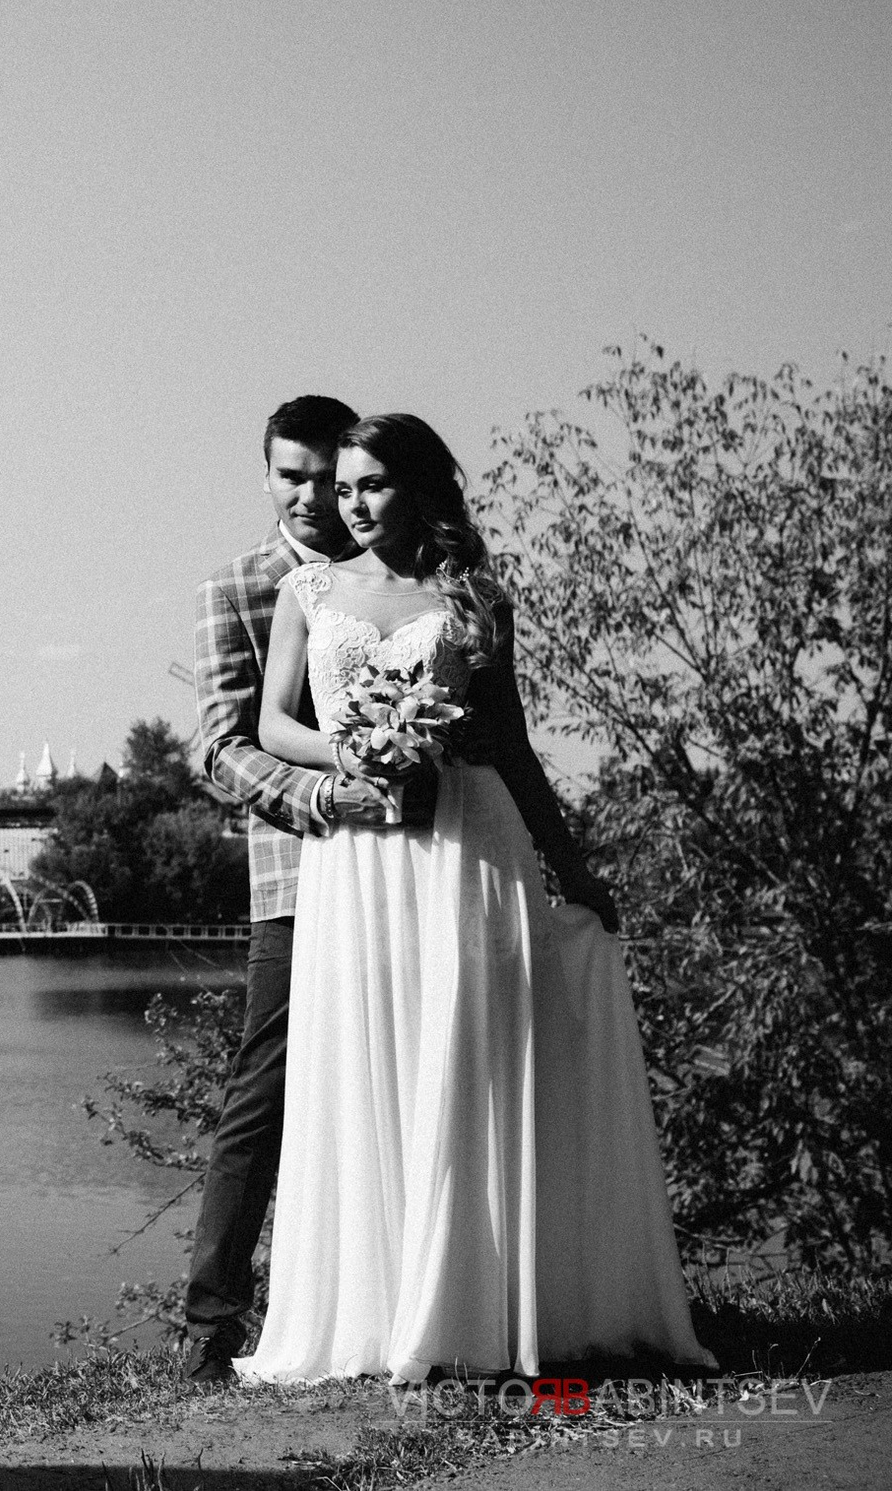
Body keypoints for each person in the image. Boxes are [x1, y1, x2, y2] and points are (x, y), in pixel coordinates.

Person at [237, 413, 711, 1382]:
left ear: (418, 486)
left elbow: (514, 744)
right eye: (341, 487)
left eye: (371, 484)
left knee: (462, 1059)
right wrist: (352, 752)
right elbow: (272, 721)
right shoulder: (307, 588)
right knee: (370, 1054)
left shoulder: (474, 596)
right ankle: (373, 1312)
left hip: (465, 849)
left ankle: (470, 1311)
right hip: (356, 857)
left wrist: (570, 869)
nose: (350, 504)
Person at [181, 395, 428, 1382]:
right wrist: (329, 794)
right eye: (288, 474)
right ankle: (208, 1325)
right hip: (294, 872)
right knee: (263, 1092)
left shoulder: (400, 574)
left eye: (324, 474)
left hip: (409, 869)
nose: (309, 492)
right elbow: (215, 745)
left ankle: (404, 1309)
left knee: (409, 1073)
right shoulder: (238, 584)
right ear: (269, 476)